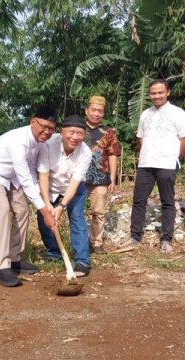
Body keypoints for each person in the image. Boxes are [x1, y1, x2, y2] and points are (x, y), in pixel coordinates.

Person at [0, 105, 57, 287]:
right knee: (3, 210)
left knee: (22, 211)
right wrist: (44, 211)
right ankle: (1, 267)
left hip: (13, 178)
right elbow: (24, 176)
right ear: (33, 122)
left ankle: (14, 259)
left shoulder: (42, 143)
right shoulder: (18, 140)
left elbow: (34, 174)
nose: (47, 131)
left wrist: (44, 203)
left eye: (51, 128)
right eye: (43, 126)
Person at [125, 79, 185, 253]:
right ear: (149, 95)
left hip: (167, 164)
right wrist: (142, 155)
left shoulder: (178, 113)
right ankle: (134, 236)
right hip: (146, 164)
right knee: (139, 200)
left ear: (167, 92)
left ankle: (166, 239)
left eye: (160, 92)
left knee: (167, 202)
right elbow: (140, 138)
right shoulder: (145, 114)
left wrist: (174, 156)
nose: (157, 96)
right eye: (153, 93)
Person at [37, 115, 92, 277]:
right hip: (50, 185)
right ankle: (54, 253)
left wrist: (61, 207)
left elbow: (74, 183)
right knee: (43, 217)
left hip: (73, 188)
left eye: (80, 134)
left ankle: (82, 261)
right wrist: (47, 204)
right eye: (72, 132)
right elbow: (44, 176)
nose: (75, 137)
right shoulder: (47, 144)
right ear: (62, 132)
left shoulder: (85, 152)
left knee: (77, 218)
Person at [83, 96, 122, 254]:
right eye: (93, 110)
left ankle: (96, 242)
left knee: (98, 211)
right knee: (76, 210)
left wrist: (112, 177)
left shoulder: (108, 132)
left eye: (100, 111)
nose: (96, 113)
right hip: (78, 178)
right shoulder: (77, 128)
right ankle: (77, 241)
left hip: (100, 178)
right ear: (86, 110)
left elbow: (113, 154)